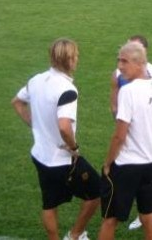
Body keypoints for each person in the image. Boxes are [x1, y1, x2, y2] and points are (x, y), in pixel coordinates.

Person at [11, 38, 101, 240]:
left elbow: (17, 102)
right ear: (68, 60)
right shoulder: (67, 90)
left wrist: (35, 125)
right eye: (76, 56)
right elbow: (64, 127)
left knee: (49, 203)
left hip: (40, 155)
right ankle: (75, 235)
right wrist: (74, 148)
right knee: (97, 192)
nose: (78, 59)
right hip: (61, 158)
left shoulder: (36, 80)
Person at [99, 41, 152, 240]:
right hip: (150, 164)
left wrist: (107, 163)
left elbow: (120, 135)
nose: (120, 66)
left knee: (110, 218)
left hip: (126, 166)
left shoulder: (128, 91)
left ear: (140, 64)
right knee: (149, 216)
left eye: (125, 61)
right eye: (118, 61)